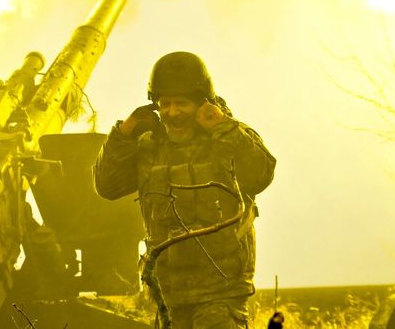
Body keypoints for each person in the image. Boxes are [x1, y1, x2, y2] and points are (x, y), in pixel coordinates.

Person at [94, 51, 276, 329]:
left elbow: (261, 175)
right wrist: (124, 134)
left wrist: (223, 129)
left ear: (203, 102)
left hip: (221, 292)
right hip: (169, 294)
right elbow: (107, 186)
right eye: (164, 104)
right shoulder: (148, 146)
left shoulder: (229, 135)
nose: (172, 112)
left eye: (182, 103)